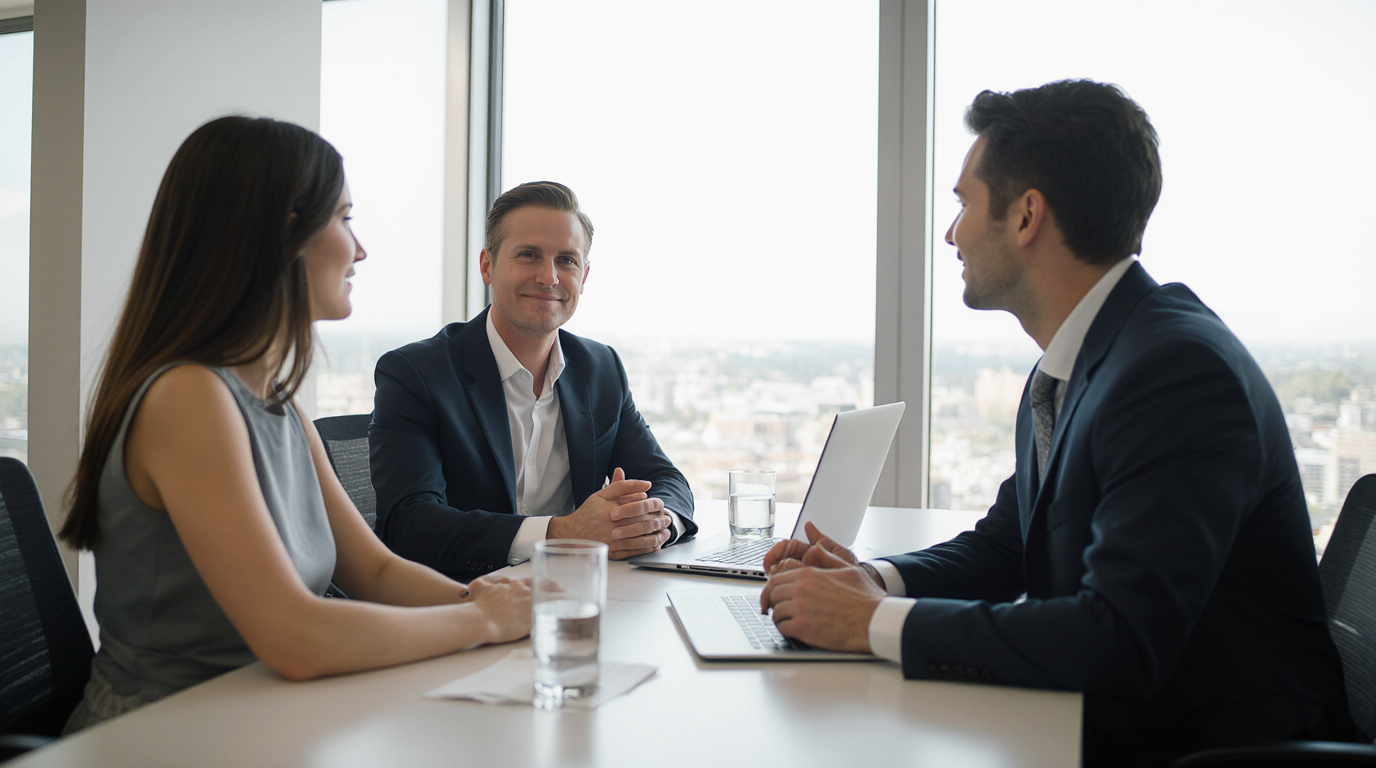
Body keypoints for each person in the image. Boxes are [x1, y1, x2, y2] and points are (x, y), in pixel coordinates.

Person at [759, 80, 1353, 766]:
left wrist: (872, 623)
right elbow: (1009, 546)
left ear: (1026, 216)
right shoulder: (1083, 360)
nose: (952, 233)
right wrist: (875, 579)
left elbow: (1120, 638)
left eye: (964, 204)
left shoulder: (1176, 373)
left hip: (1202, 747)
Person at [57, 116, 531, 731]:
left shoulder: (278, 404)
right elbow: (295, 637)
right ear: (281, 235)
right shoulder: (187, 398)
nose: (359, 249)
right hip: (165, 733)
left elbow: (375, 571)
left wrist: (507, 607)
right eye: (343, 218)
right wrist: (484, 620)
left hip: (266, 714)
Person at [370, 181, 695, 582]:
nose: (549, 277)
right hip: (459, 603)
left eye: (567, 260)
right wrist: (562, 533)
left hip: (578, 595)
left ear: (585, 276)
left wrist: (655, 524)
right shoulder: (415, 373)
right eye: (528, 255)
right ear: (487, 265)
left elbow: (668, 481)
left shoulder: (600, 368)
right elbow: (409, 523)